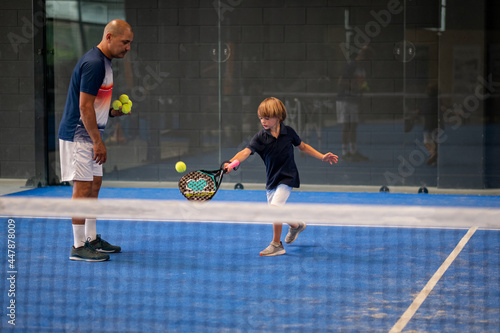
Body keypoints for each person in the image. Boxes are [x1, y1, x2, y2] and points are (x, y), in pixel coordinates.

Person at [58, 19, 134, 262]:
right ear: (109, 37)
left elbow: (95, 104)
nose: (128, 47)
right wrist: (97, 142)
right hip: (78, 136)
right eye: (125, 42)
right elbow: (84, 106)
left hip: (90, 135)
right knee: (82, 188)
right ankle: (78, 246)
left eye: (130, 43)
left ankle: (91, 239)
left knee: (95, 184)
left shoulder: (105, 62)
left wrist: (112, 113)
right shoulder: (94, 64)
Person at [225, 97, 338, 256]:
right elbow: (245, 152)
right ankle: (297, 225)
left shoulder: (289, 132)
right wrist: (231, 163)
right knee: (276, 211)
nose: (263, 121)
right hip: (272, 180)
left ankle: (276, 245)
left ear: (278, 117)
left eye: (267, 117)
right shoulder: (259, 138)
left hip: (288, 177)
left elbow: (303, 147)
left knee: (275, 209)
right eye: (261, 118)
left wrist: (322, 156)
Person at [336, 46, 374, 162]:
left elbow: (361, 85)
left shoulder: (363, 69)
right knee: (346, 126)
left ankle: (353, 151)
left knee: (354, 125)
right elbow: (341, 81)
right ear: (363, 56)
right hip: (344, 100)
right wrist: (353, 87)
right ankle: (345, 152)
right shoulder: (352, 66)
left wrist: (360, 97)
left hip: (354, 101)